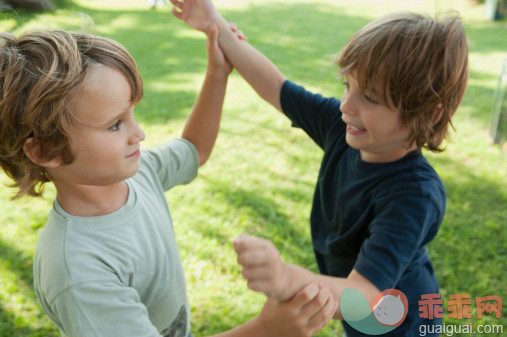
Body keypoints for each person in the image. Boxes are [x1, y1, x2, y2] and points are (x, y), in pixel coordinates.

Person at [0, 23, 337, 337]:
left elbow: (193, 149)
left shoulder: (137, 174)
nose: (139, 133)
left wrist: (217, 74)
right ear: (46, 151)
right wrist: (266, 329)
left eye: (133, 114)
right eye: (115, 124)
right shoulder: (77, 268)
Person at [170, 0, 469, 335]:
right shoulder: (341, 128)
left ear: (429, 114)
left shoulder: (414, 195)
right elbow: (277, 88)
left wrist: (286, 278)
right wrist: (215, 23)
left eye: (369, 98)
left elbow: (365, 295)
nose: (346, 106)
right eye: (347, 86)